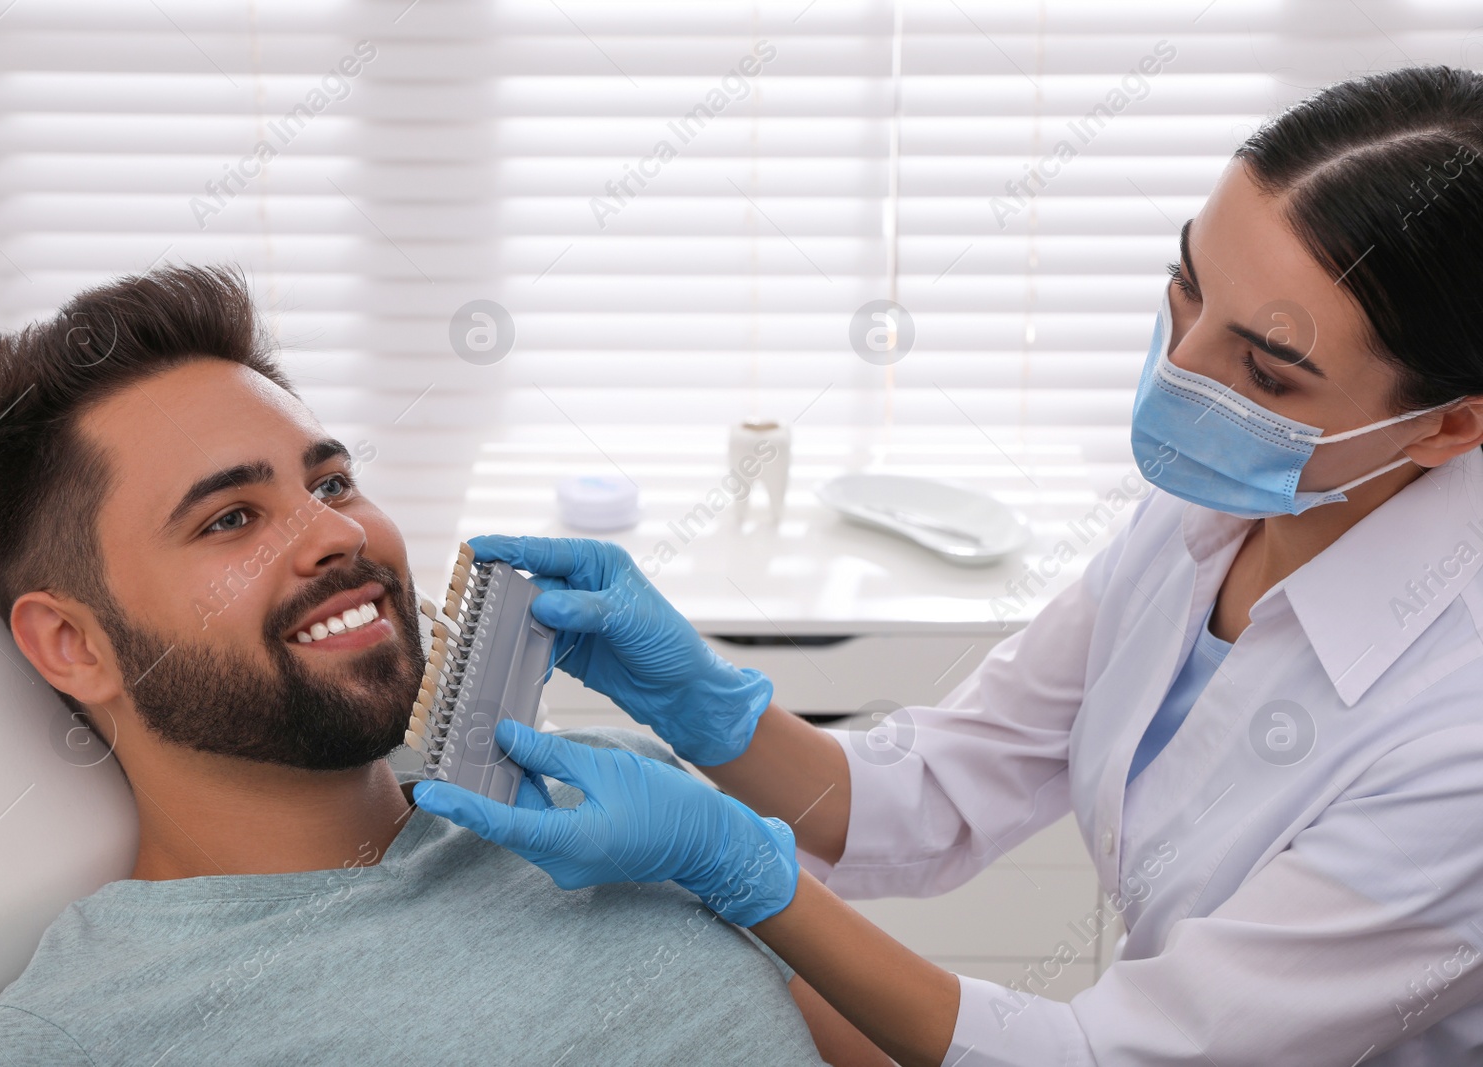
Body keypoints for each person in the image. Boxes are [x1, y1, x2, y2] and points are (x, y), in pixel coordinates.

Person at [411, 65, 1483, 1066]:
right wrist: (707, 705)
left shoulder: (1457, 743)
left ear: (1447, 428)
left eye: (1264, 368)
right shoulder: (1205, 515)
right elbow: (937, 787)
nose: (1183, 373)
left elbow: (1107, 1054)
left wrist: (734, 868)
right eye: (1186, 287)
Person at [0, 266, 888, 1066]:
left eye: (331, 481)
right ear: (75, 644)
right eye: (230, 518)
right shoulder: (70, 1041)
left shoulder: (610, 801)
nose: (338, 534)